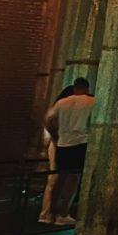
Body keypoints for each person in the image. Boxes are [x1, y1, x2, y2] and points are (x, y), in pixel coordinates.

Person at [43, 78, 95, 225]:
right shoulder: (91, 102)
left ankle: (51, 212)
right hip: (80, 143)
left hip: (62, 143)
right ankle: (63, 213)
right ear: (86, 87)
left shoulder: (62, 103)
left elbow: (48, 120)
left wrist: (55, 135)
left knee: (60, 178)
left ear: (75, 88)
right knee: (73, 179)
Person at [38, 84, 76, 224]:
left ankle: (55, 213)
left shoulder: (63, 108)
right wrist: (56, 138)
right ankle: (49, 213)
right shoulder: (62, 109)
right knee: (57, 178)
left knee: (62, 179)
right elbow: (48, 122)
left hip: (62, 144)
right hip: (61, 145)